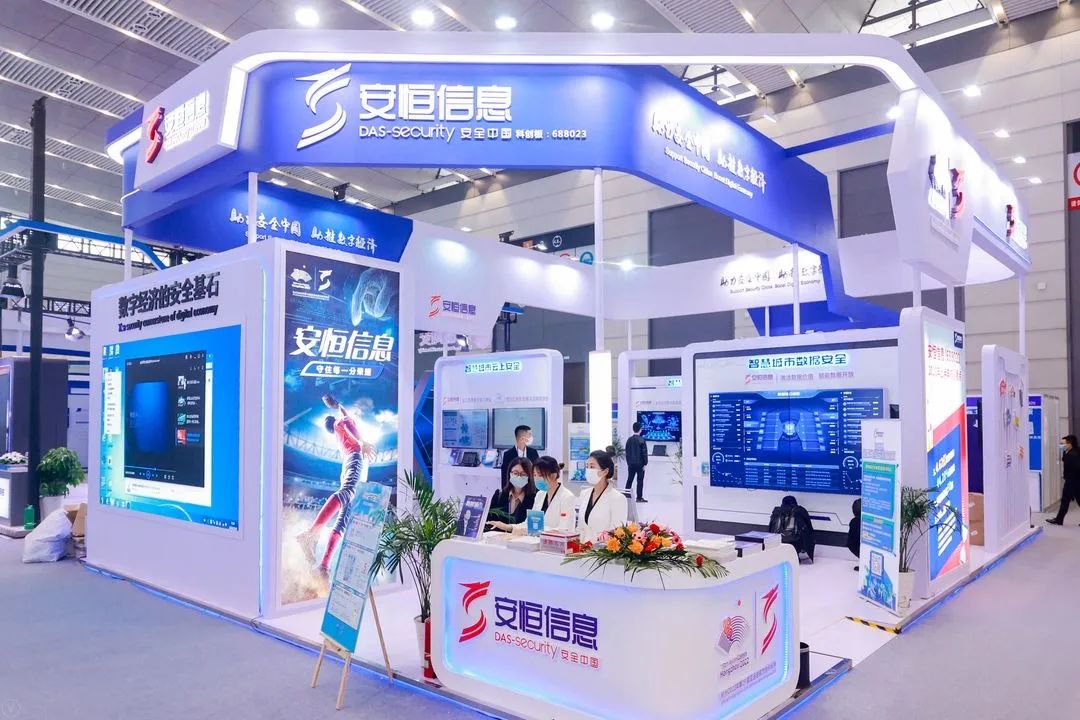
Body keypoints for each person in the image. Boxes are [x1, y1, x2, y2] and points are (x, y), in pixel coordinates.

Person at [296, 394, 375, 572]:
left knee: (343, 518)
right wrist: (363, 441)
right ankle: (311, 534)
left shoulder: (339, 433)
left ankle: (324, 565)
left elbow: (344, 414)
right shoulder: (341, 423)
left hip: (349, 462)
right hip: (355, 458)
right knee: (347, 493)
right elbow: (347, 422)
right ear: (334, 421)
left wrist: (338, 405)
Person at [489, 456, 578, 534]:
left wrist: (539, 530)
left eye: (540, 475)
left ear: (553, 475)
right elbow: (529, 524)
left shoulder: (567, 497)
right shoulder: (540, 495)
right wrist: (508, 527)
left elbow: (565, 530)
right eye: (534, 475)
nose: (537, 479)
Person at [576, 450, 628, 541]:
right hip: (583, 547)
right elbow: (580, 528)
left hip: (602, 548)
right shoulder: (584, 494)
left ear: (605, 471)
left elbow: (616, 534)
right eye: (587, 466)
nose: (588, 470)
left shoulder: (617, 498)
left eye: (592, 466)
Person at [488, 457, 538, 531]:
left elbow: (534, 527)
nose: (519, 477)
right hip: (498, 537)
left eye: (523, 474)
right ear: (510, 474)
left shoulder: (536, 498)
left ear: (529, 476)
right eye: (515, 473)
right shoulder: (499, 495)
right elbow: (489, 521)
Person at [768, 495, 816, 562]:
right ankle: (795, 554)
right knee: (804, 535)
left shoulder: (776, 511)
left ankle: (782, 555)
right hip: (797, 541)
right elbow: (809, 527)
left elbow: (770, 528)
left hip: (779, 540)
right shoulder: (800, 511)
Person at [1047, 434, 1080, 525]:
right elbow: (1064, 459)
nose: (1062, 445)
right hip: (1074, 481)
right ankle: (1059, 519)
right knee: (1066, 501)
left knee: (1065, 500)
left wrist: (1070, 478)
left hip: (1072, 481)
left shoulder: (1072, 454)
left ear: (1070, 443)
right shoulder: (1074, 451)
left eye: (1063, 443)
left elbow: (1076, 467)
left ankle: (1059, 520)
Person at [624, 422, 649, 503]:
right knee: (640, 481)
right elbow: (644, 453)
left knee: (629, 480)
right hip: (640, 464)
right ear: (640, 429)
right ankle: (639, 498)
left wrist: (628, 463)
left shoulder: (629, 440)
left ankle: (626, 496)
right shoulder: (642, 440)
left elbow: (627, 453)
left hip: (631, 464)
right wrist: (645, 463)